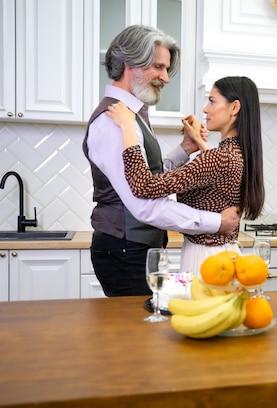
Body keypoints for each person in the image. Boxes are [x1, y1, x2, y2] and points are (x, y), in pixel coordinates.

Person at [83, 25, 240, 297]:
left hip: (135, 248)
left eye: (166, 69)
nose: (165, 78)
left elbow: (147, 178)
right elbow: (144, 205)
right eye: (158, 67)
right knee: (135, 335)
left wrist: (184, 149)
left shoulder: (132, 114)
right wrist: (217, 222)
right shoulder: (114, 122)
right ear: (129, 64)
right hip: (124, 250)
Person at [107, 76, 265, 277]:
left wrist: (127, 128)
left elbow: (143, 186)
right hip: (223, 255)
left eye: (212, 101)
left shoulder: (218, 158)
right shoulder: (237, 153)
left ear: (234, 108)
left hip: (206, 260)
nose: (206, 109)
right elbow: (216, 183)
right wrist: (197, 143)